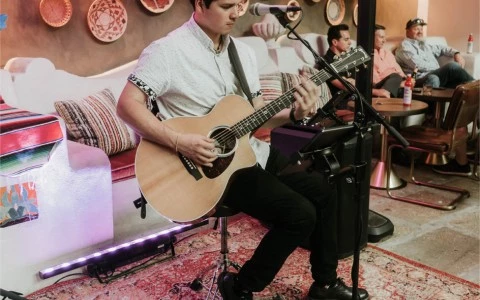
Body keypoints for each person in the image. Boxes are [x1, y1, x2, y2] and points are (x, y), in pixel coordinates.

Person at [116, 0, 369, 299]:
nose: (237, 13)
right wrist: (179, 141)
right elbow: (127, 105)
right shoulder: (168, 51)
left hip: (251, 151)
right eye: (226, 5)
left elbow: (256, 112)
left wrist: (295, 115)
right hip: (209, 169)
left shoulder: (244, 54)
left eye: (240, 4)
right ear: (200, 3)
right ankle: (240, 286)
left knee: (324, 192)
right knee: (300, 214)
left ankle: (324, 284)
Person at [395, 17, 474, 88]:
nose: (420, 32)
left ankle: (474, 94)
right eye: (416, 29)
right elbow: (418, 65)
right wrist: (442, 70)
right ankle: (476, 86)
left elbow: (441, 48)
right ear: (407, 32)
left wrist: (456, 53)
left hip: (433, 75)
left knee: (457, 82)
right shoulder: (404, 47)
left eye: (421, 29)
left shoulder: (423, 44)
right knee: (452, 67)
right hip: (418, 79)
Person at [320, 24, 356, 103]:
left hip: (357, 98)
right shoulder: (326, 61)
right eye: (346, 39)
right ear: (335, 42)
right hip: (342, 103)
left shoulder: (347, 57)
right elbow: (347, 86)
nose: (350, 42)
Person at [372, 24, 406, 98]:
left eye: (385, 37)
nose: (384, 40)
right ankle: (386, 93)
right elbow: (375, 82)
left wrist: (405, 80)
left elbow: (400, 72)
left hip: (397, 83)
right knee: (395, 76)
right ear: (371, 37)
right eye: (381, 37)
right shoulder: (368, 55)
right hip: (381, 86)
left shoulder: (388, 53)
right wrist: (397, 82)